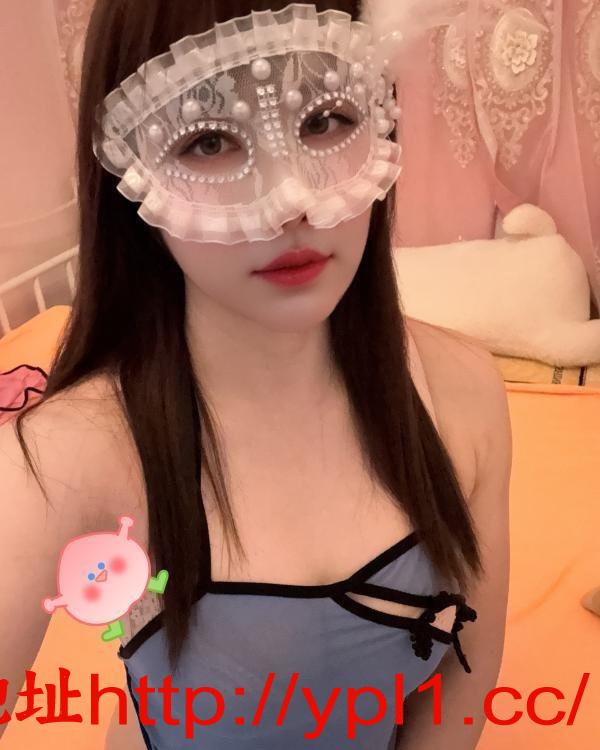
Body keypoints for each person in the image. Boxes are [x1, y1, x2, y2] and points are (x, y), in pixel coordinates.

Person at [0, 0, 512, 748]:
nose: (289, 201)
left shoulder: (466, 394)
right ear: (131, 170)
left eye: (326, 119)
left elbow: (464, 684)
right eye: (208, 139)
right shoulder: (64, 455)